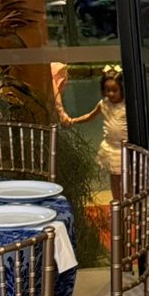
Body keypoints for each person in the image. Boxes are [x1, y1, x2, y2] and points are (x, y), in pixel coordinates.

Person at [54, 62, 127, 198]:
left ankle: (130, 202)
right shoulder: (103, 104)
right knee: (115, 177)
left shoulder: (126, 105)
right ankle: (117, 201)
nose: (111, 93)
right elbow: (89, 116)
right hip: (111, 147)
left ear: (122, 89)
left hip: (126, 147)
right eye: (107, 90)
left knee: (129, 177)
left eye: (115, 90)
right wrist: (73, 121)